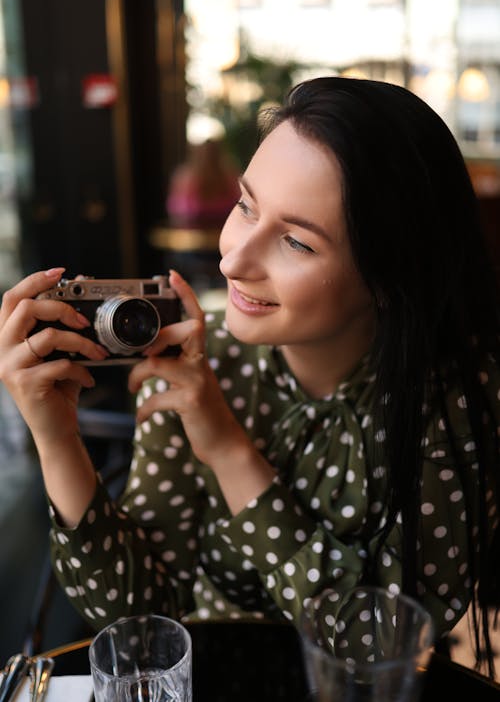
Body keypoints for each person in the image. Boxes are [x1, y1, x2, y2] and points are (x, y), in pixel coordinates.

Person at [0, 77, 499, 672]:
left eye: (294, 241)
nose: (233, 260)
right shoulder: (192, 363)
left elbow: (382, 646)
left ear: (390, 278)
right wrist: (57, 439)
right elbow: (135, 613)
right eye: (245, 205)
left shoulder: (455, 401)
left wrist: (230, 451)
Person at [165, 138, 240, 229]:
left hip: (216, 232)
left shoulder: (230, 176)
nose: (207, 157)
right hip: (195, 233)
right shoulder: (185, 178)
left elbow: (175, 209)